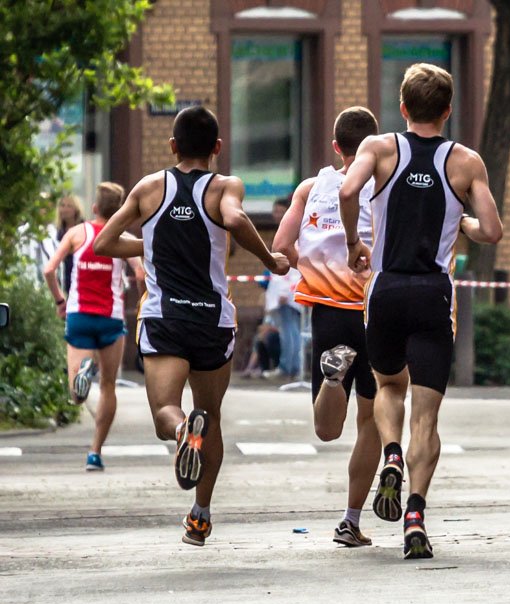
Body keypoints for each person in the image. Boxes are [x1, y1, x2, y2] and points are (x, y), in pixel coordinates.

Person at [93, 106, 289, 546]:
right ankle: (200, 515)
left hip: (165, 317)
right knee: (213, 416)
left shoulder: (148, 187)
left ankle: (183, 431)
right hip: (212, 320)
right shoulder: (226, 186)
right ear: (217, 148)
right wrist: (269, 260)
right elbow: (236, 219)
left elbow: (104, 241)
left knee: (166, 411)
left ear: (173, 146)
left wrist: (151, 240)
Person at [339, 63, 502, 560]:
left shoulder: (379, 148)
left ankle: (389, 454)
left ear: (404, 108)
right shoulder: (466, 161)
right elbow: (492, 231)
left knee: (389, 387)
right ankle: (415, 516)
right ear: (448, 111)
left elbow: (348, 191)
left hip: (386, 289)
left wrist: (353, 242)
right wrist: (464, 223)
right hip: (434, 293)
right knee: (426, 416)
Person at [273, 106, 381, 547]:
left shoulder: (310, 187)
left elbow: (280, 247)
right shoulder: (383, 185)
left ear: (336, 146)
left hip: (327, 308)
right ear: (375, 145)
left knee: (326, 430)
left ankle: (334, 379)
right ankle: (351, 520)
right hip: (375, 309)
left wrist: (312, 271)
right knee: (371, 418)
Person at [44, 182, 143, 472]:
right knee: (109, 387)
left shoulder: (77, 233)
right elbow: (140, 273)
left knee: (77, 395)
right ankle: (95, 452)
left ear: (95, 208)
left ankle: (84, 376)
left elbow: (50, 269)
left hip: (80, 316)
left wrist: (60, 300)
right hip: (111, 318)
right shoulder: (123, 238)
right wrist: (141, 303)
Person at [56, 195, 84, 294]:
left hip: (79, 273)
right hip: (61, 275)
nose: (65, 209)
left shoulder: (83, 228)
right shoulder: (56, 231)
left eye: (69, 206)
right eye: (62, 206)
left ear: (76, 209)